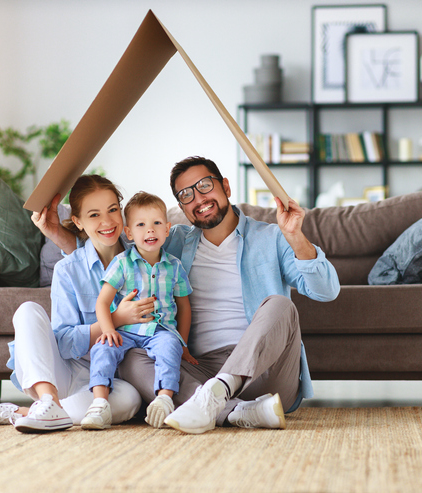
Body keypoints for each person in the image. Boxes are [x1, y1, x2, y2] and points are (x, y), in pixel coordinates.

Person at [33, 156, 340, 435]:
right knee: (131, 353)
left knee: (281, 306)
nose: (199, 199)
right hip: (196, 369)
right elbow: (124, 253)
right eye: (186, 195)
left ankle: (218, 394)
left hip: (264, 371)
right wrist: (61, 236)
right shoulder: (175, 241)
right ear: (179, 210)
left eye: (205, 186)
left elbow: (326, 291)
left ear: (226, 187)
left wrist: (296, 236)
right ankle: (235, 412)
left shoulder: (271, 236)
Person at [0, 175, 149, 433]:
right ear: (78, 221)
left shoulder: (143, 259)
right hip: (66, 370)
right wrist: (116, 319)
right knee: (27, 311)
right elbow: (63, 342)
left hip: (108, 376)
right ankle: (48, 400)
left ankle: (25, 412)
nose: (107, 222)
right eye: (94, 215)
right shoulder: (68, 269)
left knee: (130, 401)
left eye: (112, 210)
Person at [81, 192, 194, 430]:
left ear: (167, 229)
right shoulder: (122, 263)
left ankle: (164, 398)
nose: (149, 231)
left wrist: (183, 343)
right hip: (126, 330)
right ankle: (99, 404)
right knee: (103, 347)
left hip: (161, 329)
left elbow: (184, 306)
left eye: (156, 224)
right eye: (141, 225)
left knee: (170, 347)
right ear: (129, 233)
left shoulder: (174, 266)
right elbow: (102, 302)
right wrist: (109, 329)